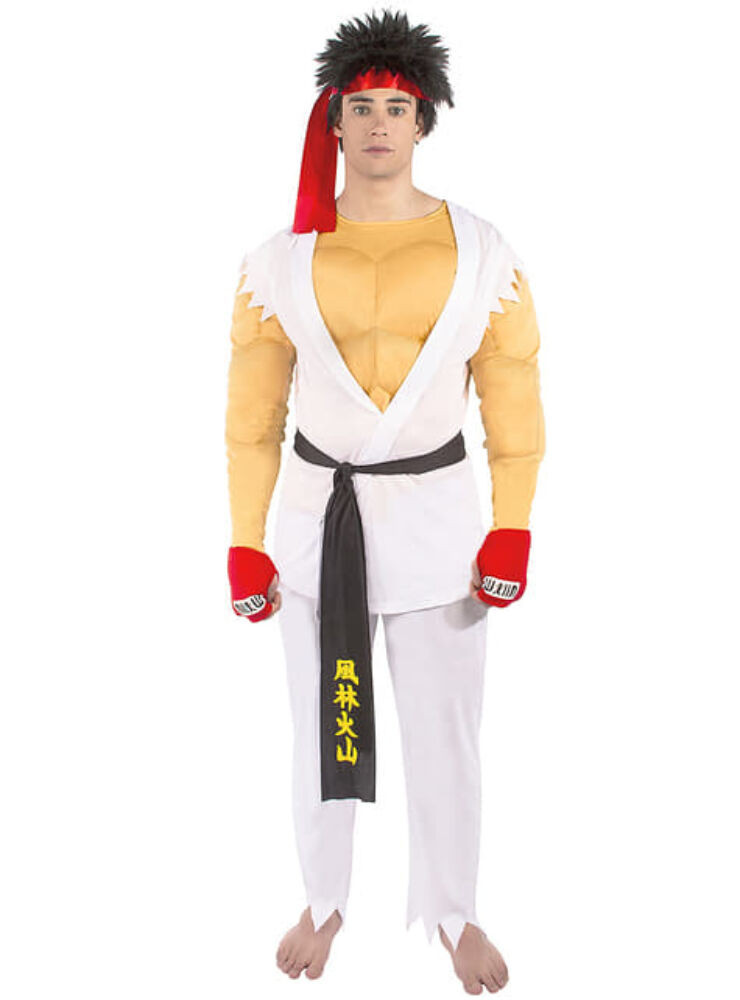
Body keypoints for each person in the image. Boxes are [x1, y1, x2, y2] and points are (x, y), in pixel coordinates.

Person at [224, 9, 545, 993]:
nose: (376, 124)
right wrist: (244, 541)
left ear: (423, 121)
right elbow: (251, 419)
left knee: (446, 733)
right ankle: (323, 898)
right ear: (333, 123)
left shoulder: (483, 255)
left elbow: (513, 402)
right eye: (359, 107)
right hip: (315, 522)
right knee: (323, 717)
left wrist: (511, 526)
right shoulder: (275, 267)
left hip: (438, 524)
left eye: (395, 108)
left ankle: (451, 911)